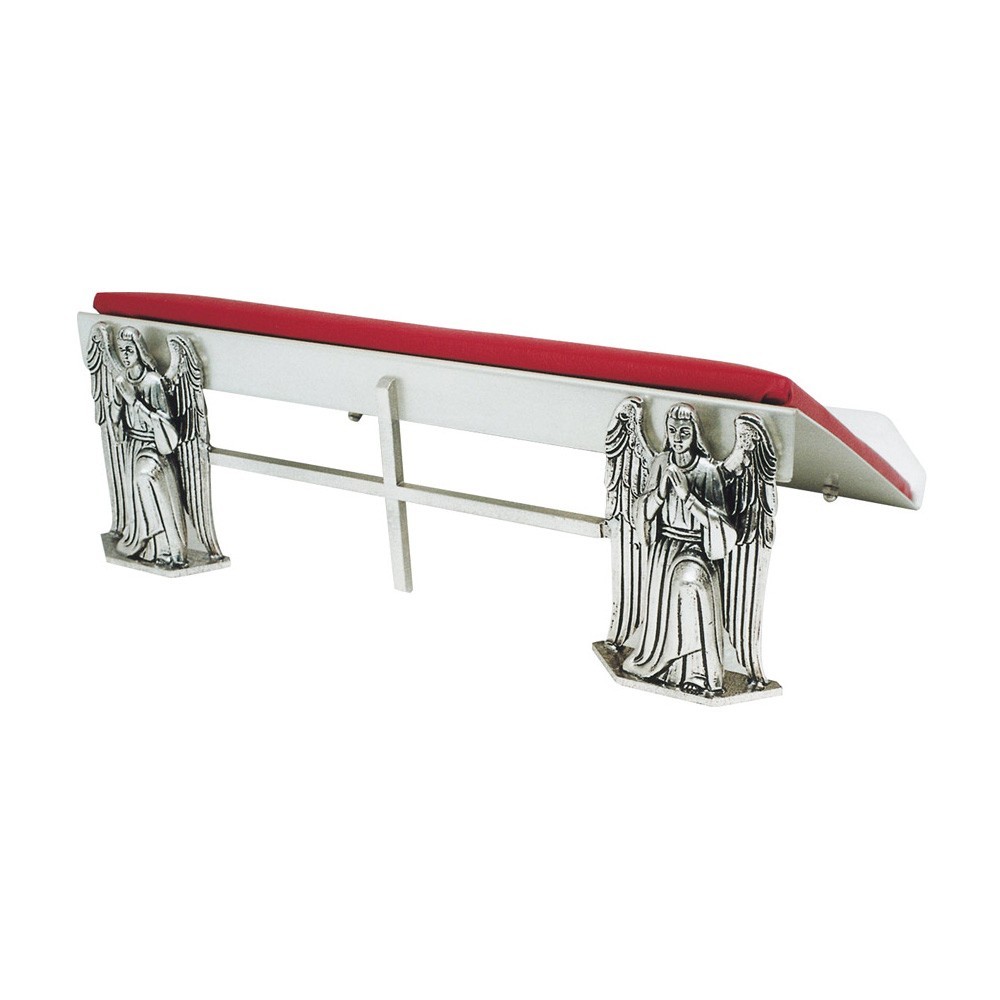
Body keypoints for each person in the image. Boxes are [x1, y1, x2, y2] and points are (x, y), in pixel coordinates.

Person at [622, 403, 738, 695]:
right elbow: (642, 513)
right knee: (667, 602)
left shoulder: (707, 471)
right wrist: (660, 493)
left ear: (695, 433)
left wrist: (688, 498)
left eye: (684, 431)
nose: (677, 437)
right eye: (672, 430)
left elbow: (722, 525)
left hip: (696, 551)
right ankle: (664, 667)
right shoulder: (661, 463)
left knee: (688, 584)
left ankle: (698, 673)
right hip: (664, 551)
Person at [108, 327, 189, 567]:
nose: (125, 355)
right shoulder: (121, 381)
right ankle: (151, 548)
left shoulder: (153, 382)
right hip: (133, 446)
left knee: (145, 478)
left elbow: (165, 424)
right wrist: (118, 401)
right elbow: (113, 419)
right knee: (136, 493)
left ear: (140, 350)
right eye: (121, 350)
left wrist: (135, 401)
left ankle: (169, 548)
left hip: (153, 448)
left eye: (129, 349)